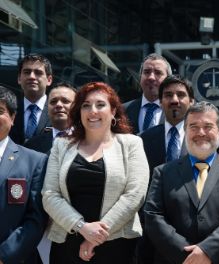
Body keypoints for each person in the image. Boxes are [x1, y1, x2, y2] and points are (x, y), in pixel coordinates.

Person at [42, 82, 149, 264]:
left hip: (117, 246)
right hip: (67, 246)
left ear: (113, 111)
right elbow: (50, 195)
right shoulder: (61, 145)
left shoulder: (132, 144)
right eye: (86, 105)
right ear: (79, 112)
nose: (93, 111)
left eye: (100, 105)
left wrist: (96, 236)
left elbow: (134, 195)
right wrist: (83, 228)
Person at [144, 101, 219, 264]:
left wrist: (207, 251)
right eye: (193, 126)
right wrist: (189, 257)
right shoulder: (163, 173)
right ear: (185, 130)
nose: (200, 132)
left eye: (208, 126)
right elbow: (153, 216)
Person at [0, 86, 48, 264]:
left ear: (12, 118)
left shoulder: (34, 161)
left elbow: (35, 219)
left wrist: (4, 256)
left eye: (0, 111)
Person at [141, 74, 195, 175]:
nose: (174, 100)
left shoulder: (201, 137)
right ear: (160, 102)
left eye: (180, 95)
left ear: (191, 101)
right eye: (168, 95)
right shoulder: (142, 140)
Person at [9, 54, 53, 144]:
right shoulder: (8, 111)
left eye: (38, 72)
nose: (32, 77)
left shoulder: (59, 110)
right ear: (19, 78)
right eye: (27, 72)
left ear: (49, 80)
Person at [124, 53, 172, 134]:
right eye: (146, 72)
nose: (151, 77)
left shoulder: (178, 111)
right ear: (140, 77)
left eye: (158, 73)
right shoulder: (122, 110)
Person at [25, 82, 77, 153]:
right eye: (53, 102)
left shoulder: (91, 140)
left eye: (65, 101)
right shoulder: (31, 146)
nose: (58, 105)